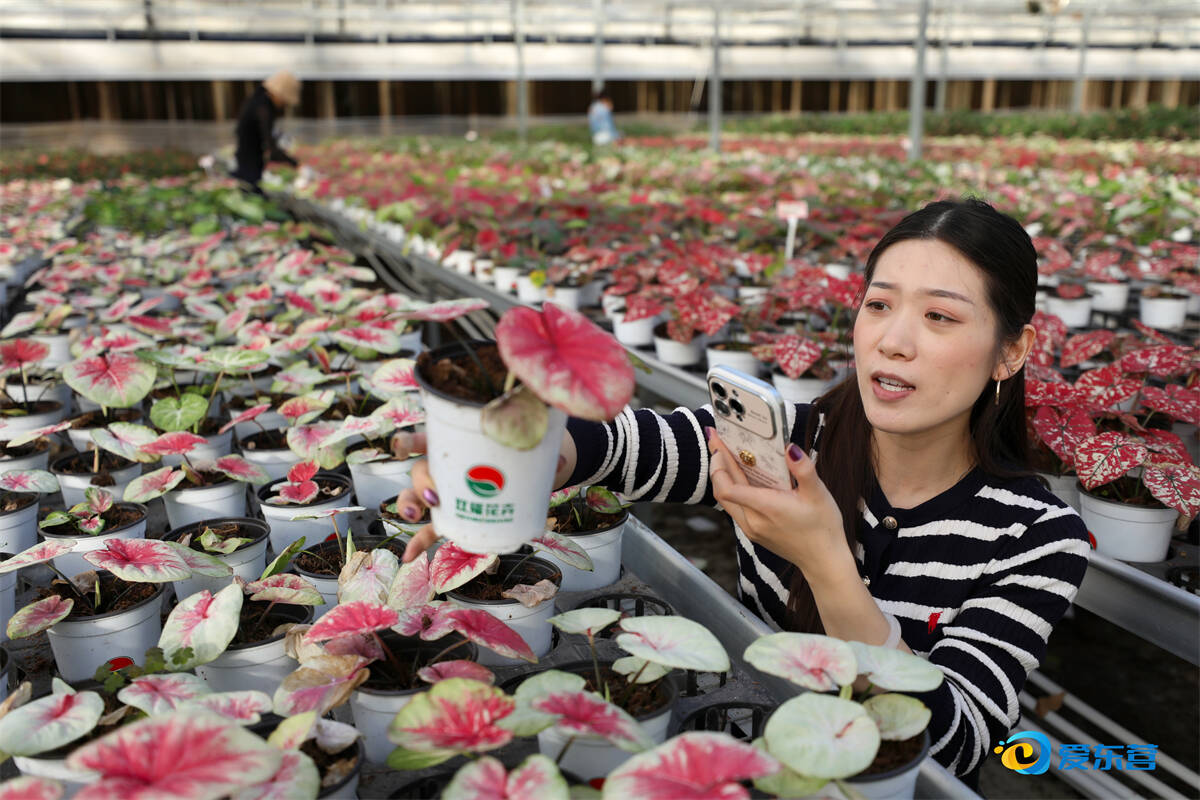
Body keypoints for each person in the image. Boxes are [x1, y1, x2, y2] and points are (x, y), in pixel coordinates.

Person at [393, 198, 1091, 789]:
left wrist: (824, 562)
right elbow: (623, 446)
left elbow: (955, 744)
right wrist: (502, 460)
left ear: (1011, 351)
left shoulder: (1034, 536)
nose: (893, 341)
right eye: (879, 305)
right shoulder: (790, 441)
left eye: (941, 317)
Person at [231, 70, 301, 190]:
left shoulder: (257, 100)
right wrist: (293, 163)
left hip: (247, 158)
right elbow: (270, 147)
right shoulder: (263, 108)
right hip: (249, 163)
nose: (284, 105)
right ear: (278, 94)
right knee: (251, 190)